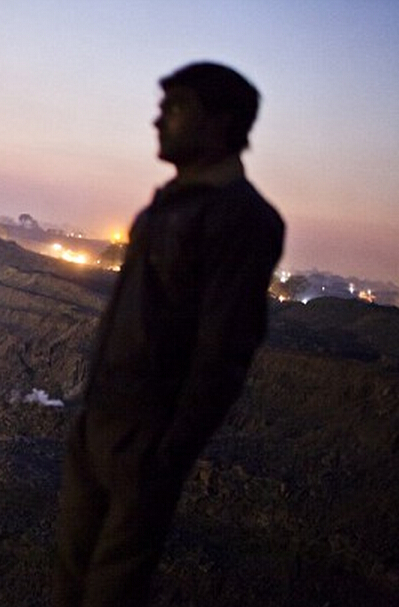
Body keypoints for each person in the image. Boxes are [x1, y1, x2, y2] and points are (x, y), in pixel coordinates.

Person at [53, 62, 285, 606]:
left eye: (176, 106)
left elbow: (225, 352)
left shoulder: (242, 219)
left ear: (221, 123)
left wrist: (166, 451)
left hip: (145, 437)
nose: (158, 118)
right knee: (72, 579)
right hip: (102, 423)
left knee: (111, 590)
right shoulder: (166, 207)